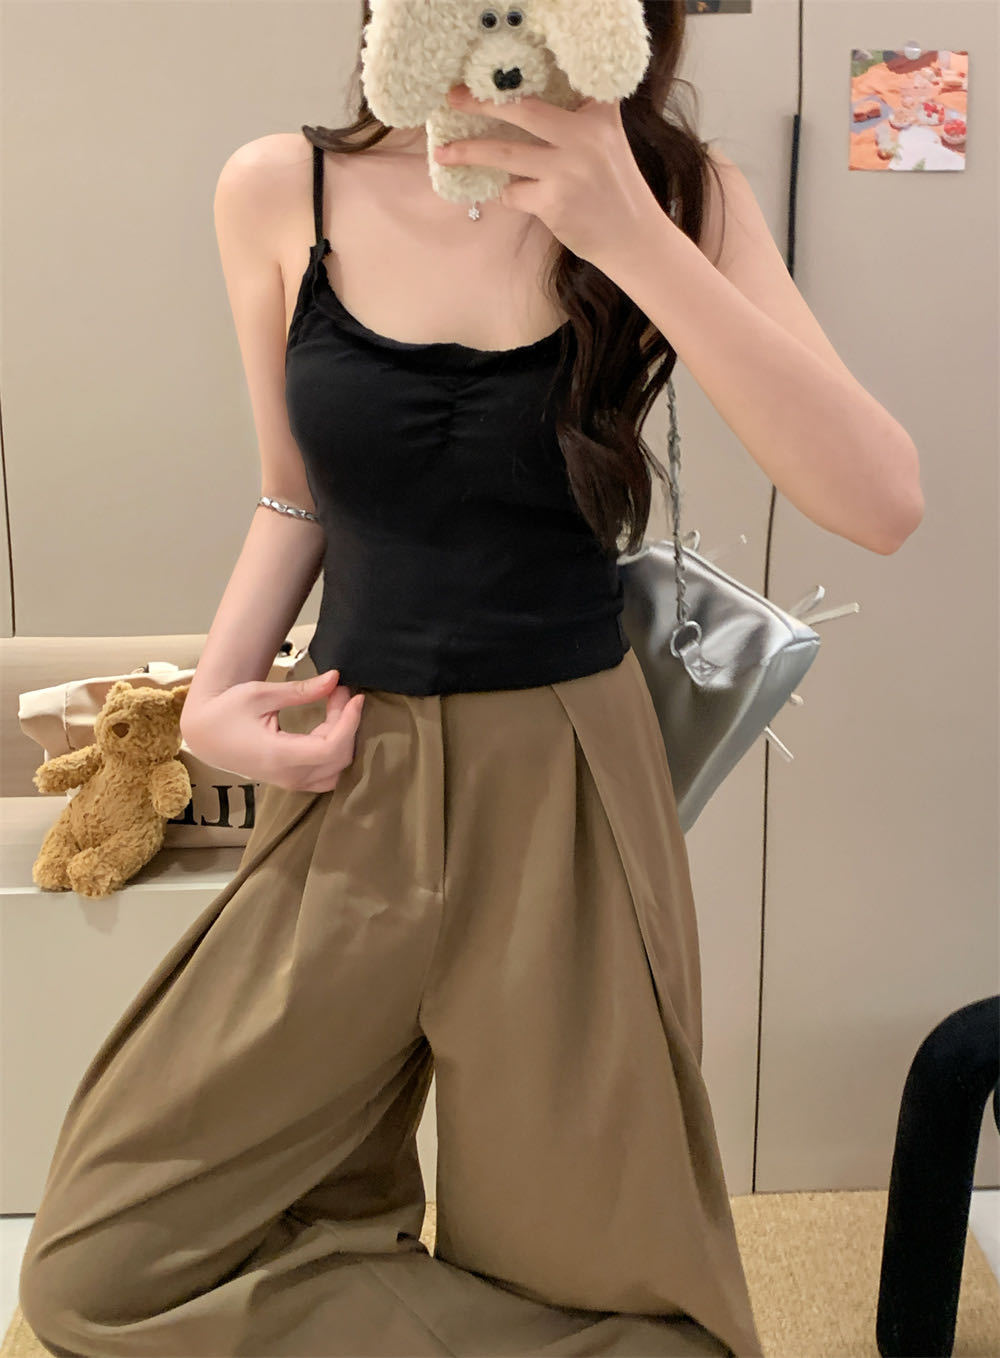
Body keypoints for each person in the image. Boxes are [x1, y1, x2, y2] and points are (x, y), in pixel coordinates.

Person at [18, 4, 922, 1357]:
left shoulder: (677, 193)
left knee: (591, 1268)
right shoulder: (279, 189)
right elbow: (294, 492)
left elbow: (881, 501)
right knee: (99, 1272)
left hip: (569, 783)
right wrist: (212, 699)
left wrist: (631, 234)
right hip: (348, 763)